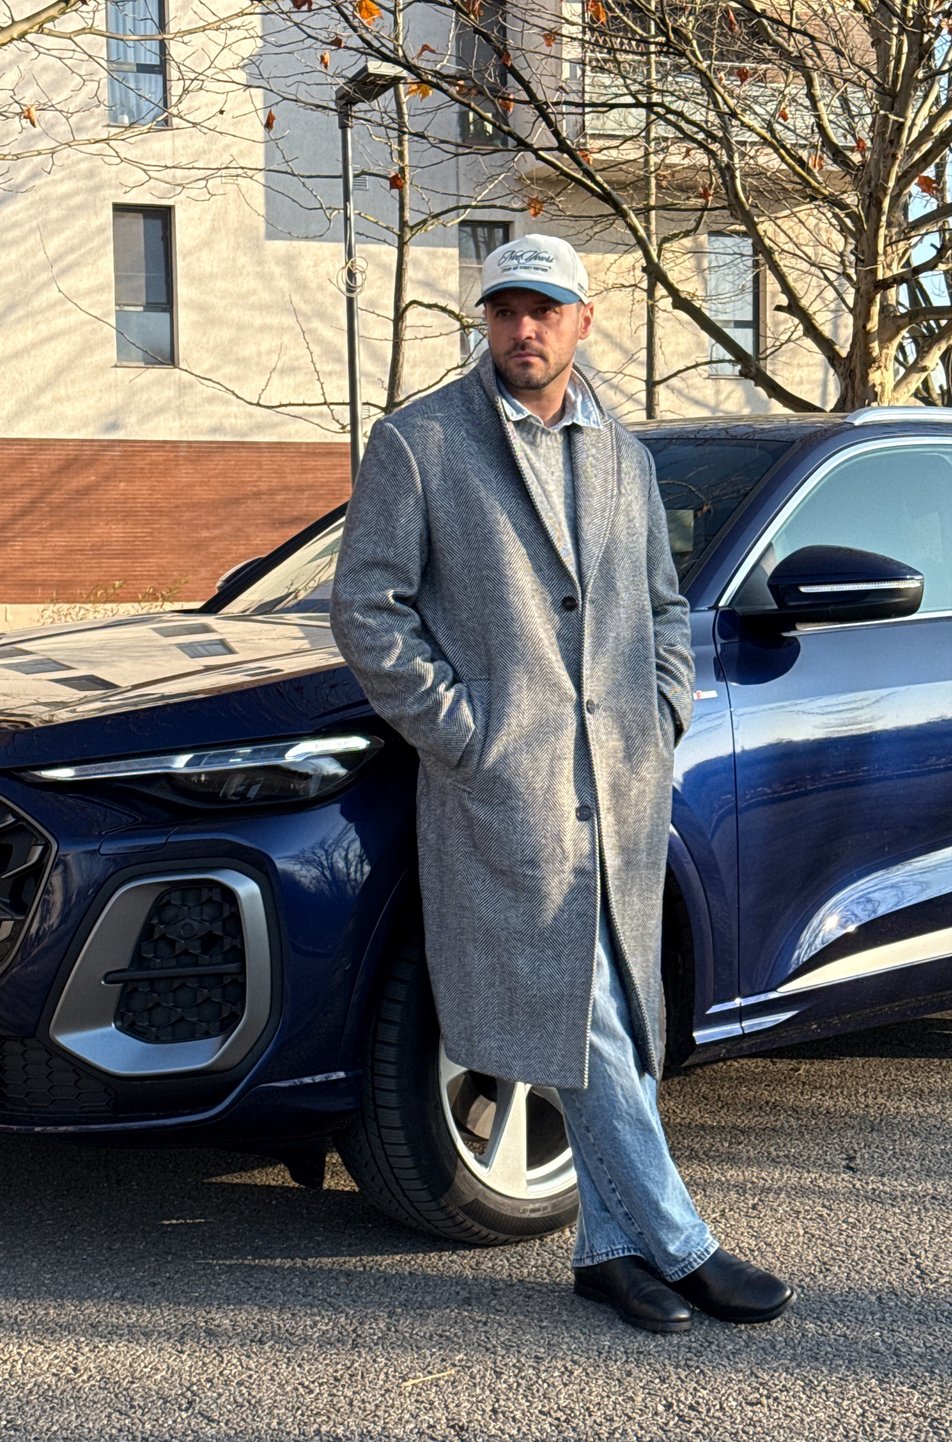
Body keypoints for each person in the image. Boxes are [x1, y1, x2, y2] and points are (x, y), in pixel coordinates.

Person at [330, 234, 794, 1334]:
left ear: (583, 320)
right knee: (577, 1007)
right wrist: (465, 732)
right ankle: (682, 1239)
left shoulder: (623, 457)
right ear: (485, 322)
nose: (521, 330)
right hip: (508, 790)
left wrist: (663, 711)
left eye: (543, 310)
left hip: (621, 786)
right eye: (503, 311)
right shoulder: (420, 443)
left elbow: (659, 608)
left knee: (621, 1012)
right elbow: (368, 607)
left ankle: (609, 1252)